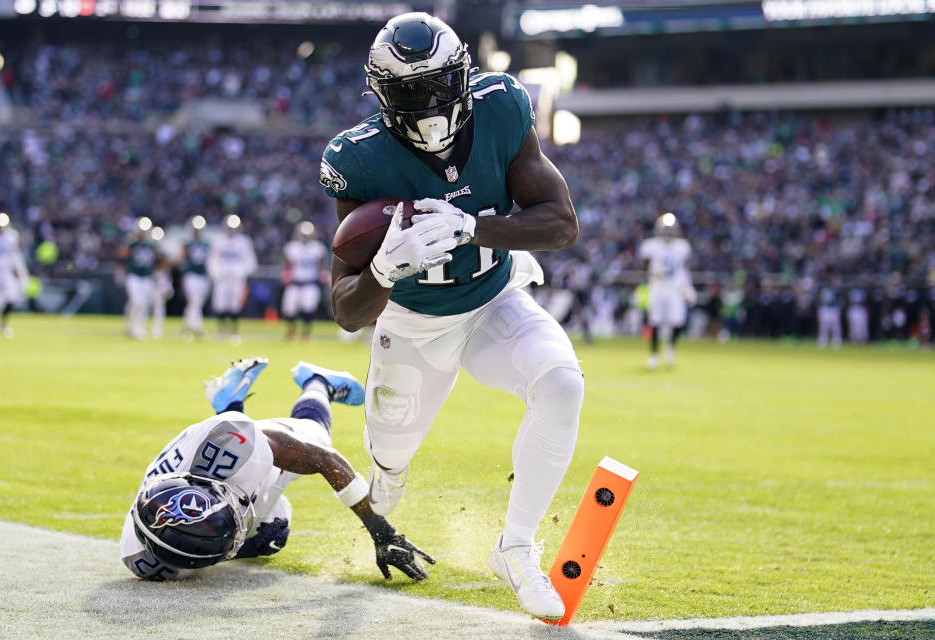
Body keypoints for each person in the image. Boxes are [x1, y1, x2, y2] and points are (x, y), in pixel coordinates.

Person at [319, 13, 583, 620]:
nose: (431, 106)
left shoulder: (502, 107)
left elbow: (561, 224)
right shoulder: (356, 158)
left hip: (495, 298)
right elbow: (345, 310)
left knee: (562, 383)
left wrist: (474, 227)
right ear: (383, 96)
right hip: (412, 324)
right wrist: (384, 272)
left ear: (463, 76)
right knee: (388, 461)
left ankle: (514, 548)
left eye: (439, 86)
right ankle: (387, 476)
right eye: (411, 93)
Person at [120, 357, 434, 582]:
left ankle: (318, 381)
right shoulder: (144, 559)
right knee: (271, 537)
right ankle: (229, 400)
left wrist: (382, 532)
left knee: (316, 434)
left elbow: (326, 460)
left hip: (234, 451)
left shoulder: (240, 447)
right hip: (219, 472)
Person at [638, 212, 696, 368]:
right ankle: (654, 355)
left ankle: (670, 347)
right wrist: (652, 269)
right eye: (665, 229)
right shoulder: (650, 246)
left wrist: (687, 287)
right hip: (657, 287)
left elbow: (684, 269)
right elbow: (642, 267)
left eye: (670, 230)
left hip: (674, 288)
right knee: (655, 321)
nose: (668, 233)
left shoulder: (682, 247)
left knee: (678, 321)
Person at [207, 214, 256, 344]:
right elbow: (213, 259)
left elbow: (250, 261)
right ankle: (220, 331)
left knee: (235, 306)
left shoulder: (244, 242)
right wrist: (215, 273)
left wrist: (242, 272)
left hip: (236, 278)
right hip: (222, 278)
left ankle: (234, 332)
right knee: (220, 305)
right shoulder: (218, 241)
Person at [280, 221, 329, 341]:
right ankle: (291, 332)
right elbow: (287, 264)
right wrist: (286, 275)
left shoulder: (317, 248)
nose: (305, 237)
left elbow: (322, 265)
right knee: (289, 310)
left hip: (310, 283)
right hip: (295, 283)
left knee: (308, 309)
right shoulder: (292, 247)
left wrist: (324, 274)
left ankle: (306, 334)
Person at [118, 218, 157, 340]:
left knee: (143, 303)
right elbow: (121, 257)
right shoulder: (131, 244)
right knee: (137, 302)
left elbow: (156, 261)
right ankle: (133, 326)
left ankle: (138, 326)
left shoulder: (151, 245)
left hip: (146, 277)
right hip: (133, 276)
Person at [181, 216, 211, 339]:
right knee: (195, 301)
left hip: (203, 276)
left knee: (197, 303)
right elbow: (181, 259)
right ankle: (196, 326)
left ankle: (188, 325)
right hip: (191, 275)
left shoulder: (207, 244)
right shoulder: (187, 244)